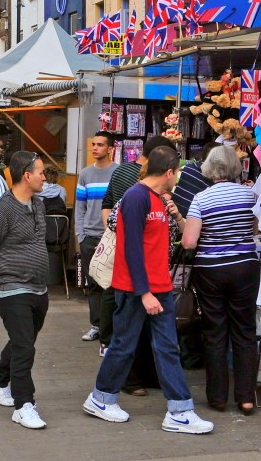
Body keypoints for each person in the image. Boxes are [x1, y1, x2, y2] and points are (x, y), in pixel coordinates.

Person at [82, 146, 213, 434]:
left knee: (165, 347)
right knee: (124, 345)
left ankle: (179, 410)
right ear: (168, 172)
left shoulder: (155, 198)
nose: (177, 177)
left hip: (157, 287)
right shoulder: (136, 197)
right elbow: (130, 249)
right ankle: (101, 398)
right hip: (136, 289)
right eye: (177, 172)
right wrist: (144, 292)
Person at [181, 145, 260, 414]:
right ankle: (246, 398)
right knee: (245, 331)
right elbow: (255, 228)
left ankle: (217, 398)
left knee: (215, 332)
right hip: (245, 268)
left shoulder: (201, 199)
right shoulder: (250, 195)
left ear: (209, 168)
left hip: (211, 270)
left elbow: (189, 242)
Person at [0, 151, 51, 429]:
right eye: (41, 172)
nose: (45, 177)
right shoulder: (2, 210)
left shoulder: (39, 204)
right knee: (24, 347)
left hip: (38, 286)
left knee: (25, 340)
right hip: (12, 286)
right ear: (26, 175)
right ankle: (24, 404)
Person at [98, 135, 175, 360]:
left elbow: (107, 207)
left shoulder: (155, 191)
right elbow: (115, 218)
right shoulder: (139, 192)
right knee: (126, 341)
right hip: (136, 277)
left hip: (153, 276)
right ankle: (109, 389)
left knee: (151, 342)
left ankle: (172, 392)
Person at [75, 131, 117, 343]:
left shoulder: (118, 172)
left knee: (112, 284)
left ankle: (111, 327)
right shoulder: (85, 174)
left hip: (111, 237)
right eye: (93, 144)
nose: (95, 148)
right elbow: (80, 207)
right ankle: (96, 325)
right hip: (90, 237)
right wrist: (80, 235)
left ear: (110, 148)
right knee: (93, 284)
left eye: (100, 145)